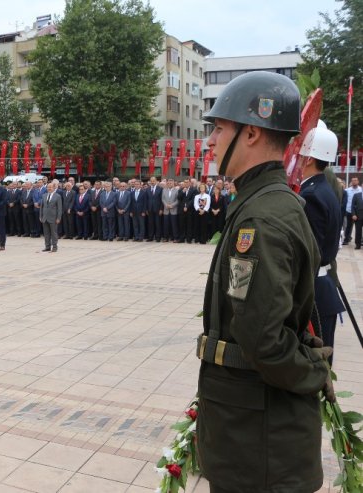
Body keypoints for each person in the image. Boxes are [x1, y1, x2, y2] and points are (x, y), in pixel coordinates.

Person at [198, 71, 333, 493]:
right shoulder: (265, 202)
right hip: (254, 434)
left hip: (256, 441)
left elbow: (264, 339)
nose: (209, 140)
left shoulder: (261, 219)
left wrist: (314, 373)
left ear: (252, 133)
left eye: (219, 128)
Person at [299, 120, 345, 365]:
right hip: (323, 287)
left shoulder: (311, 196)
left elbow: (310, 252)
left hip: (314, 292)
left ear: (308, 158)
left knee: (315, 369)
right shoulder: (324, 189)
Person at [40, 182, 62, 252]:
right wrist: (41, 216)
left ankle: (55, 247)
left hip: (53, 218)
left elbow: (59, 208)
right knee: (46, 233)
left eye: (50, 187)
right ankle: (47, 246)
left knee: (54, 233)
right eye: (48, 187)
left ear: (54, 188)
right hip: (45, 218)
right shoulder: (44, 195)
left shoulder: (57, 196)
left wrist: (58, 218)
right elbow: (41, 207)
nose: (49, 188)